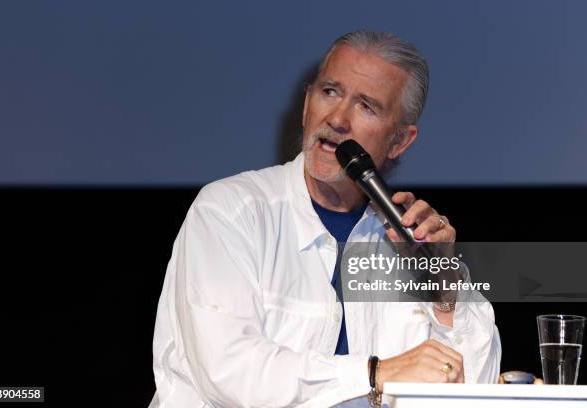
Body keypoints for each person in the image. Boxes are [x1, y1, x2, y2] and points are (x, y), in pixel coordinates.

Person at [149, 30, 501, 407]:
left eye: (366, 106)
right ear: (306, 105)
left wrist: (443, 285)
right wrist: (374, 374)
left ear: (399, 141)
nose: (337, 119)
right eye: (330, 92)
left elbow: (473, 386)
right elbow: (231, 372)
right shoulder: (231, 211)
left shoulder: (409, 239)